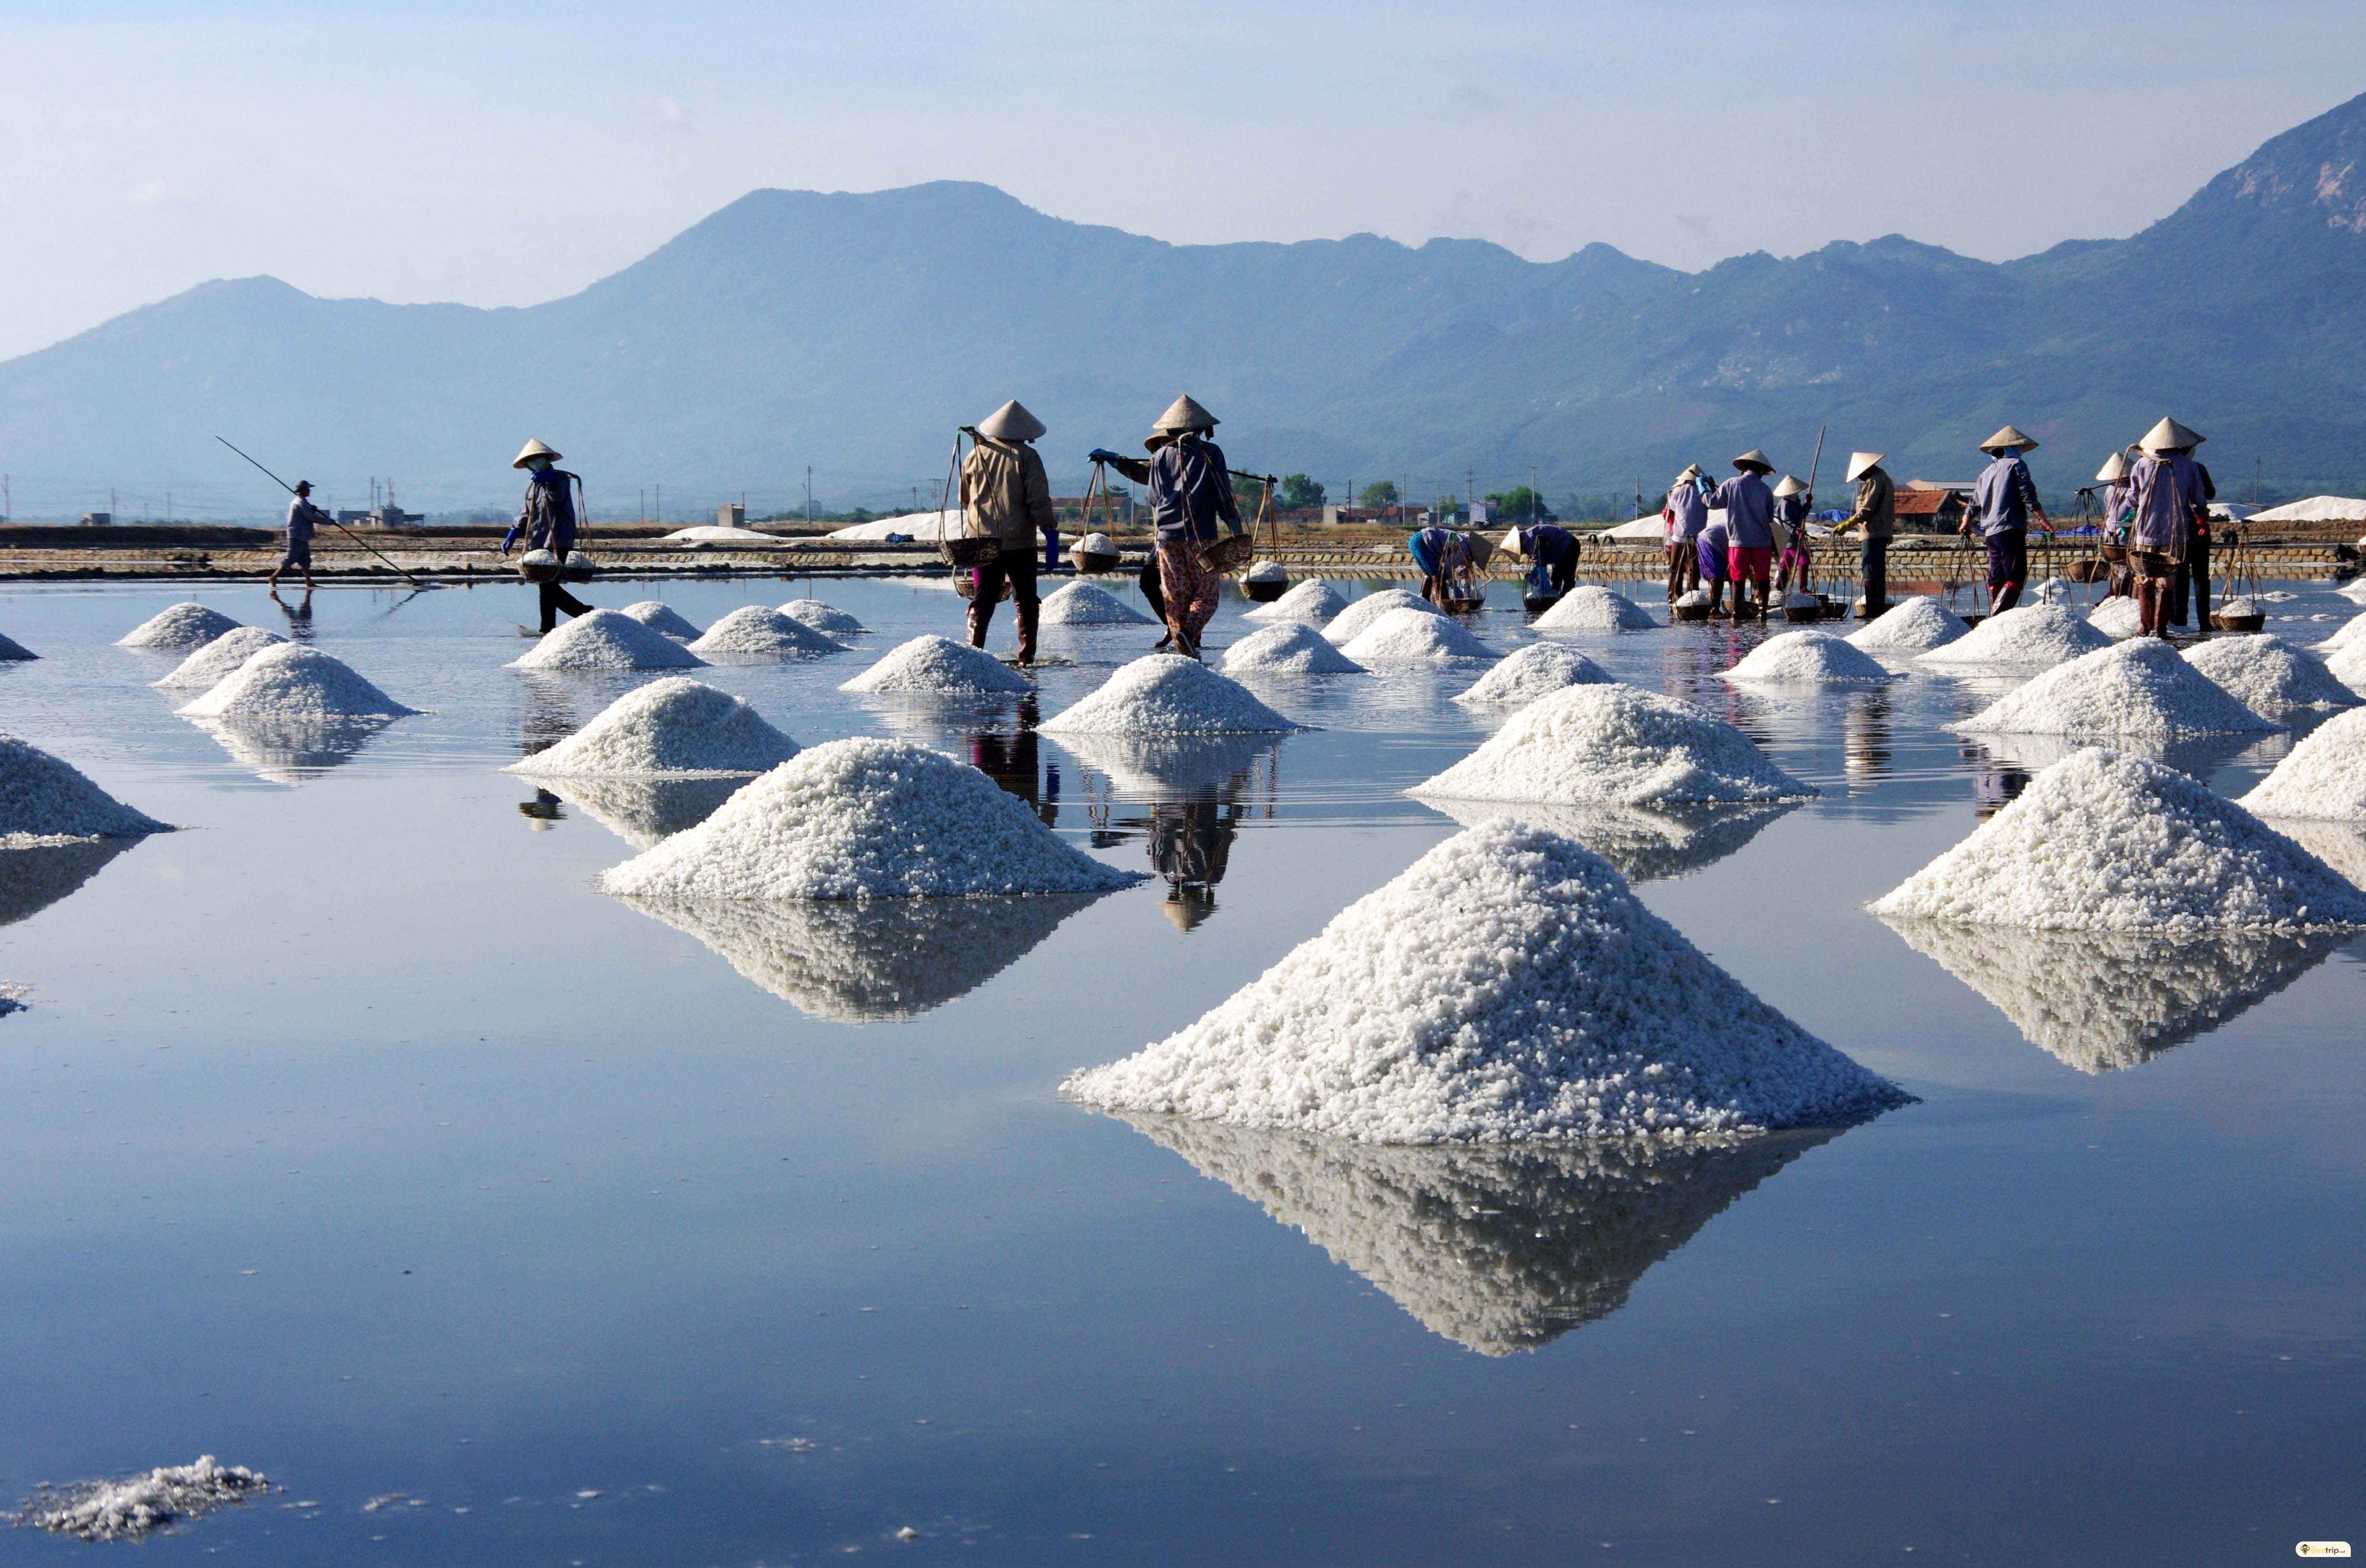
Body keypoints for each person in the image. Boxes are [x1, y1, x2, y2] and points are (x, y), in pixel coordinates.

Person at [1089, 395, 1240, 659]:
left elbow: (1153, 497)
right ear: (1202, 429)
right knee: (1206, 595)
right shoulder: (1211, 453)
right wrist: (1237, 530)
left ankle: (1182, 642)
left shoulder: (1160, 456)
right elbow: (1223, 496)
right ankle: (1187, 633)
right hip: (1201, 536)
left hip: (1167, 538)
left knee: (1176, 594)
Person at [959, 399, 1056, 666]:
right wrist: (1049, 531)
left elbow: (965, 499)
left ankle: (974, 656)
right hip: (1020, 544)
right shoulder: (1027, 456)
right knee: (1025, 600)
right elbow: (1038, 499)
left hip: (981, 542)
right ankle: (1026, 658)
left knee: (982, 600)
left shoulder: (975, 455)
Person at [2126, 417, 2210, 638]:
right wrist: (2201, 517)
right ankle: (2161, 630)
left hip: (2145, 531)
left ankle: (2145, 629)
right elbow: (2199, 501)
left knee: (2144, 580)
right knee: (2167, 581)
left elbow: (2132, 499)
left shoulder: (2141, 465)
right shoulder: (2189, 467)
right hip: (2175, 533)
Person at [500, 439, 593, 634]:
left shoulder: (561, 479)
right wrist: (513, 533)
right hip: (539, 539)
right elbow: (526, 511)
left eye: (536, 459)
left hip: (559, 539)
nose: (532, 463)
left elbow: (557, 496)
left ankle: (583, 613)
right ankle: (551, 627)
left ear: (546, 459)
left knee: (549, 585)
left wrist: (549, 480)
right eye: (529, 462)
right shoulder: (533, 484)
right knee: (546, 585)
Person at [1964, 424, 2052, 614]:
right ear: (2012, 449)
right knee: (2016, 574)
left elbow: (1974, 502)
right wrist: (2043, 521)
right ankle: (1999, 615)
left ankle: (1994, 614)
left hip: (1991, 534)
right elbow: (2028, 495)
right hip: (2009, 528)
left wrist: (1966, 521)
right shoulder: (2016, 465)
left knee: (1997, 576)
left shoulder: (1986, 473)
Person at [1712, 449, 1778, 619]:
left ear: (1744, 468)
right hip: (1762, 542)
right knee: (1763, 577)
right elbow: (1770, 517)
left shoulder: (1731, 484)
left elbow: (1714, 502)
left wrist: (1704, 491)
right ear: (1760, 471)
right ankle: (1763, 611)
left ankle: (1737, 611)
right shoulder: (1765, 490)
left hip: (1739, 542)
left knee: (1738, 577)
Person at [1828, 451, 1896, 616]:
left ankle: (1872, 611)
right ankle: (1878, 610)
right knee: (1878, 572)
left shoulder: (1875, 481)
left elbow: (1867, 510)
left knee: (1870, 571)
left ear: (1866, 470)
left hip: (1873, 533)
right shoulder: (1885, 478)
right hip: (1882, 531)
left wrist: (1848, 524)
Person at [268, 480, 328, 592]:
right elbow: (310, 518)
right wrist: (329, 521)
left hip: (302, 535)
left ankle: (309, 582)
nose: (309, 491)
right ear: (302, 490)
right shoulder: (299, 503)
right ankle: (274, 577)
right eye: (307, 489)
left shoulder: (303, 503)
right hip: (296, 535)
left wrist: (312, 511)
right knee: (291, 558)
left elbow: (308, 515)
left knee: (305, 560)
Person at [1662, 464, 1708, 602]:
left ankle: (1673, 595)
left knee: (1675, 567)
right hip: (1697, 536)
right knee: (1694, 568)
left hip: (1679, 535)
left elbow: (1672, 510)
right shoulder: (1704, 493)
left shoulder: (1676, 492)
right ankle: (1692, 594)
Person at [2096, 450, 2136, 598]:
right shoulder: (2132, 490)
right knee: (2128, 569)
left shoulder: (2110, 489)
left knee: (2120, 568)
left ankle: (2119, 597)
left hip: (2110, 532)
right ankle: (2113, 597)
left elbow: (2110, 510)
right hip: (2123, 532)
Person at [1509, 521, 1582, 599]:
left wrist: (1540, 574)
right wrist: (1536, 571)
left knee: (1568, 577)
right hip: (1561, 549)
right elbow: (1543, 557)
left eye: (1521, 552)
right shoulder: (1528, 538)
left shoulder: (1530, 540)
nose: (1523, 553)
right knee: (1556, 577)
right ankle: (1556, 598)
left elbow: (1540, 561)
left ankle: (1567, 600)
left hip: (1568, 545)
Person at [1772, 475, 1813, 597]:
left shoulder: (1795, 502)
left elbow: (1803, 514)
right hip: (1789, 539)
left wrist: (1808, 503)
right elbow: (1786, 522)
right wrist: (1796, 531)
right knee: (1804, 560)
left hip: (1793, 540)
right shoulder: (1786, 504)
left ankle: (1780, 588)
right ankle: (1803, 588)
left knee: (1786, 565)